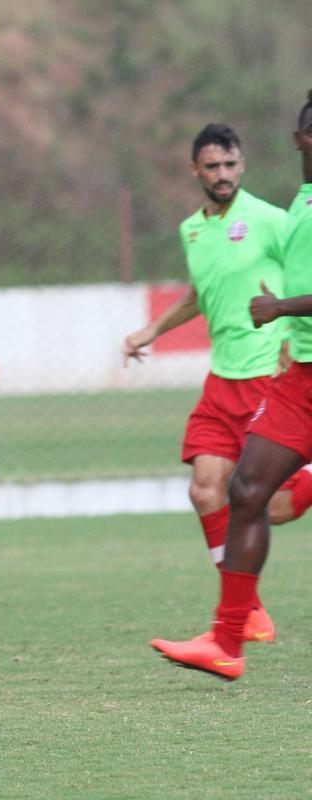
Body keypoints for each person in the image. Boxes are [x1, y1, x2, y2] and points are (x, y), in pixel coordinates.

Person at [123, 123, 312, 644]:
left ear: (242, 165)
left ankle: (237, 613)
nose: (222, 175)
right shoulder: (192, 230)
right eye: (212, 167)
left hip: (265, 377)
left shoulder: (275, 220)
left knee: (262, 499)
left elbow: (299, 278)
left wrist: (288, 333)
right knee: (206, 490)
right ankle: (246, 612)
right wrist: (150, 330)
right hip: (221, 381)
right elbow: (199, 295)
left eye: (230, 165)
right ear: (196, 171)